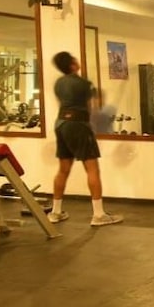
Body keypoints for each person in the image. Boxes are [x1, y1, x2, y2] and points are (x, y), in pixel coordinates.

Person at [51, 51, 123, 227]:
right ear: (72, 64)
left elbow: (64, 103)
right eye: (74, 59)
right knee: (92, 169)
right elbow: (92, 109)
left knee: (63, 169)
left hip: (61, 124)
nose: (77, 60)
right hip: (78, 125)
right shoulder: (84, 84)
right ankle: (99, 215)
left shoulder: (58, 83)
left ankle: (55, 212)